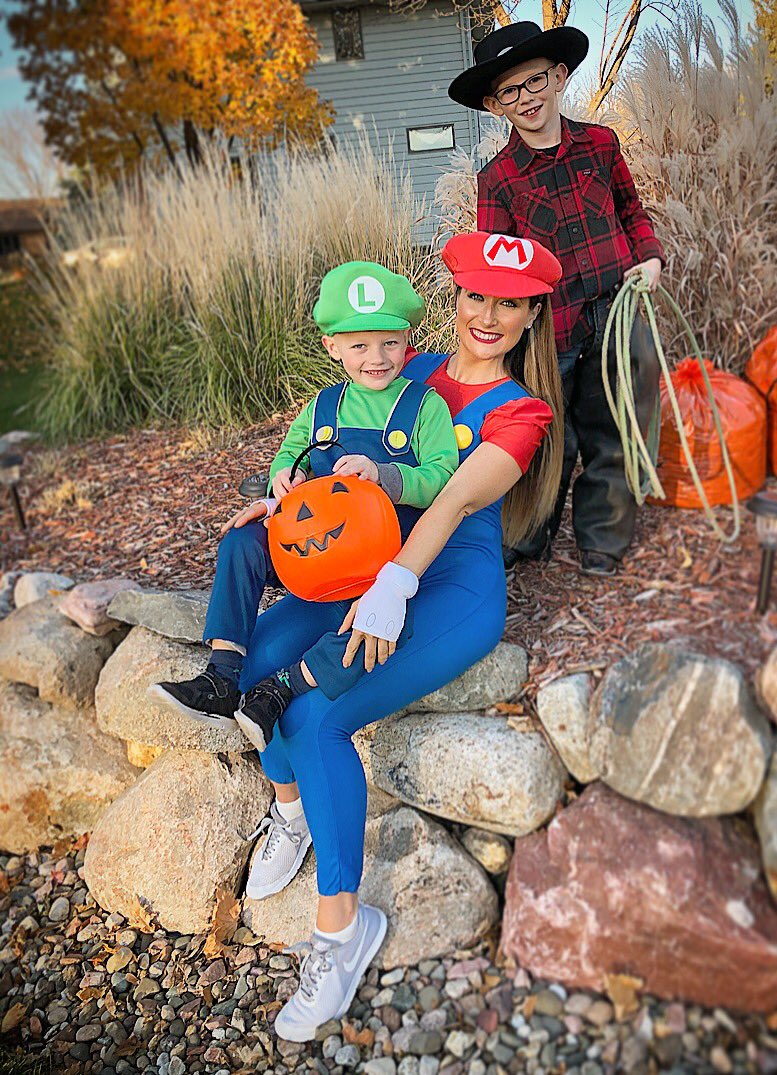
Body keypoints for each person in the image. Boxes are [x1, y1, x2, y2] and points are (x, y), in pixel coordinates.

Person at [230, 231, 564, 1042]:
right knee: (256, 653)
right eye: (476, 295)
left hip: (445, 586)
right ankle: (292, 809)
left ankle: (341, 931)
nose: (488, 315)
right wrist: (281, 492)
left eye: (510, 303)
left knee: (315, 714)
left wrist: (397, 585)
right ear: (455, 297)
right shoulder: (408, 368)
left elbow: (450, 502)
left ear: (532, 316)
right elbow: (328, 444)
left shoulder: (521, 411)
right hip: (366, 566)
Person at [150, 260, 459, 758]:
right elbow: (289, 457)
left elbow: (444, 477)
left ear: (408, 339)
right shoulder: (321, 407)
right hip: (316, 551)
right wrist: (281, 485)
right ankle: (222, 676)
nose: (376, 358)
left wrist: (384, 474)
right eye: (359, 346)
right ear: (332, 347)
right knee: (242, 540)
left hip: (383, 558)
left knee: (382, 624)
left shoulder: (424, 406)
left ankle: (283, 688)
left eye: (390, 343)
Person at [449, 21, 666, 577]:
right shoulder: (498, 179)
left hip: (617, 309)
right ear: (495, 105)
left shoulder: (600, 144)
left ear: (560, 76)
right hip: (551, 328)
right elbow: (498, 272)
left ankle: (603, 537)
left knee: (616, 424)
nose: (526, 97)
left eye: (535, 80)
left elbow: (630, 210)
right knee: (546, 434)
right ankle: (528, 534)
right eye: (509, 91)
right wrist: (500, 326)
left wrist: (650, 257)